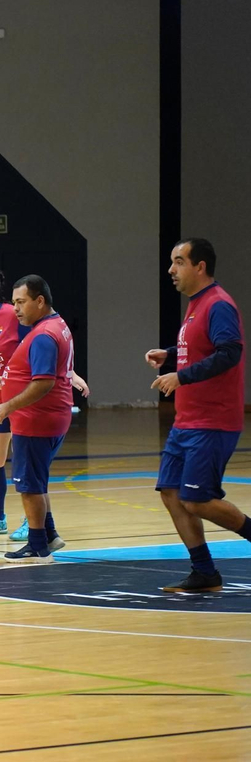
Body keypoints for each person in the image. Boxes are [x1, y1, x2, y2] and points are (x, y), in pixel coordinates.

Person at [147, 237, 251, 592]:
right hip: (186, 421)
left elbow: (229, 352)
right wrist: (172, 354)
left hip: (213, 421)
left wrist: (181, 375)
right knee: (171, 492)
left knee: (196, 498)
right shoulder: (196, 305)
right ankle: (205, 572)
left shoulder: (218, 304)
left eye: (178, 262)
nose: (171, 270)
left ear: (200, 266)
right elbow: (199, 347)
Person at [0, 265, 89, 539]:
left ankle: (33, 523)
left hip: (21, 399)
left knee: (27, 464)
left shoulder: (13, 314)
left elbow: (42, 346)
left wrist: (69, 373)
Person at [0, 275, 75, 562]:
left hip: (36, 420)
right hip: (51, 417)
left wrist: (8, 405)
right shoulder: (55, 326)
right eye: (14, 303)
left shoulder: (44, 335)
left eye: (21, 302)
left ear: (40, 301)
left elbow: (44, 382)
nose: (16, 309)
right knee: (37, 481)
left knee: (28, 485)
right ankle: (49, 535)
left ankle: (37, 545)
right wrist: (8, 377)